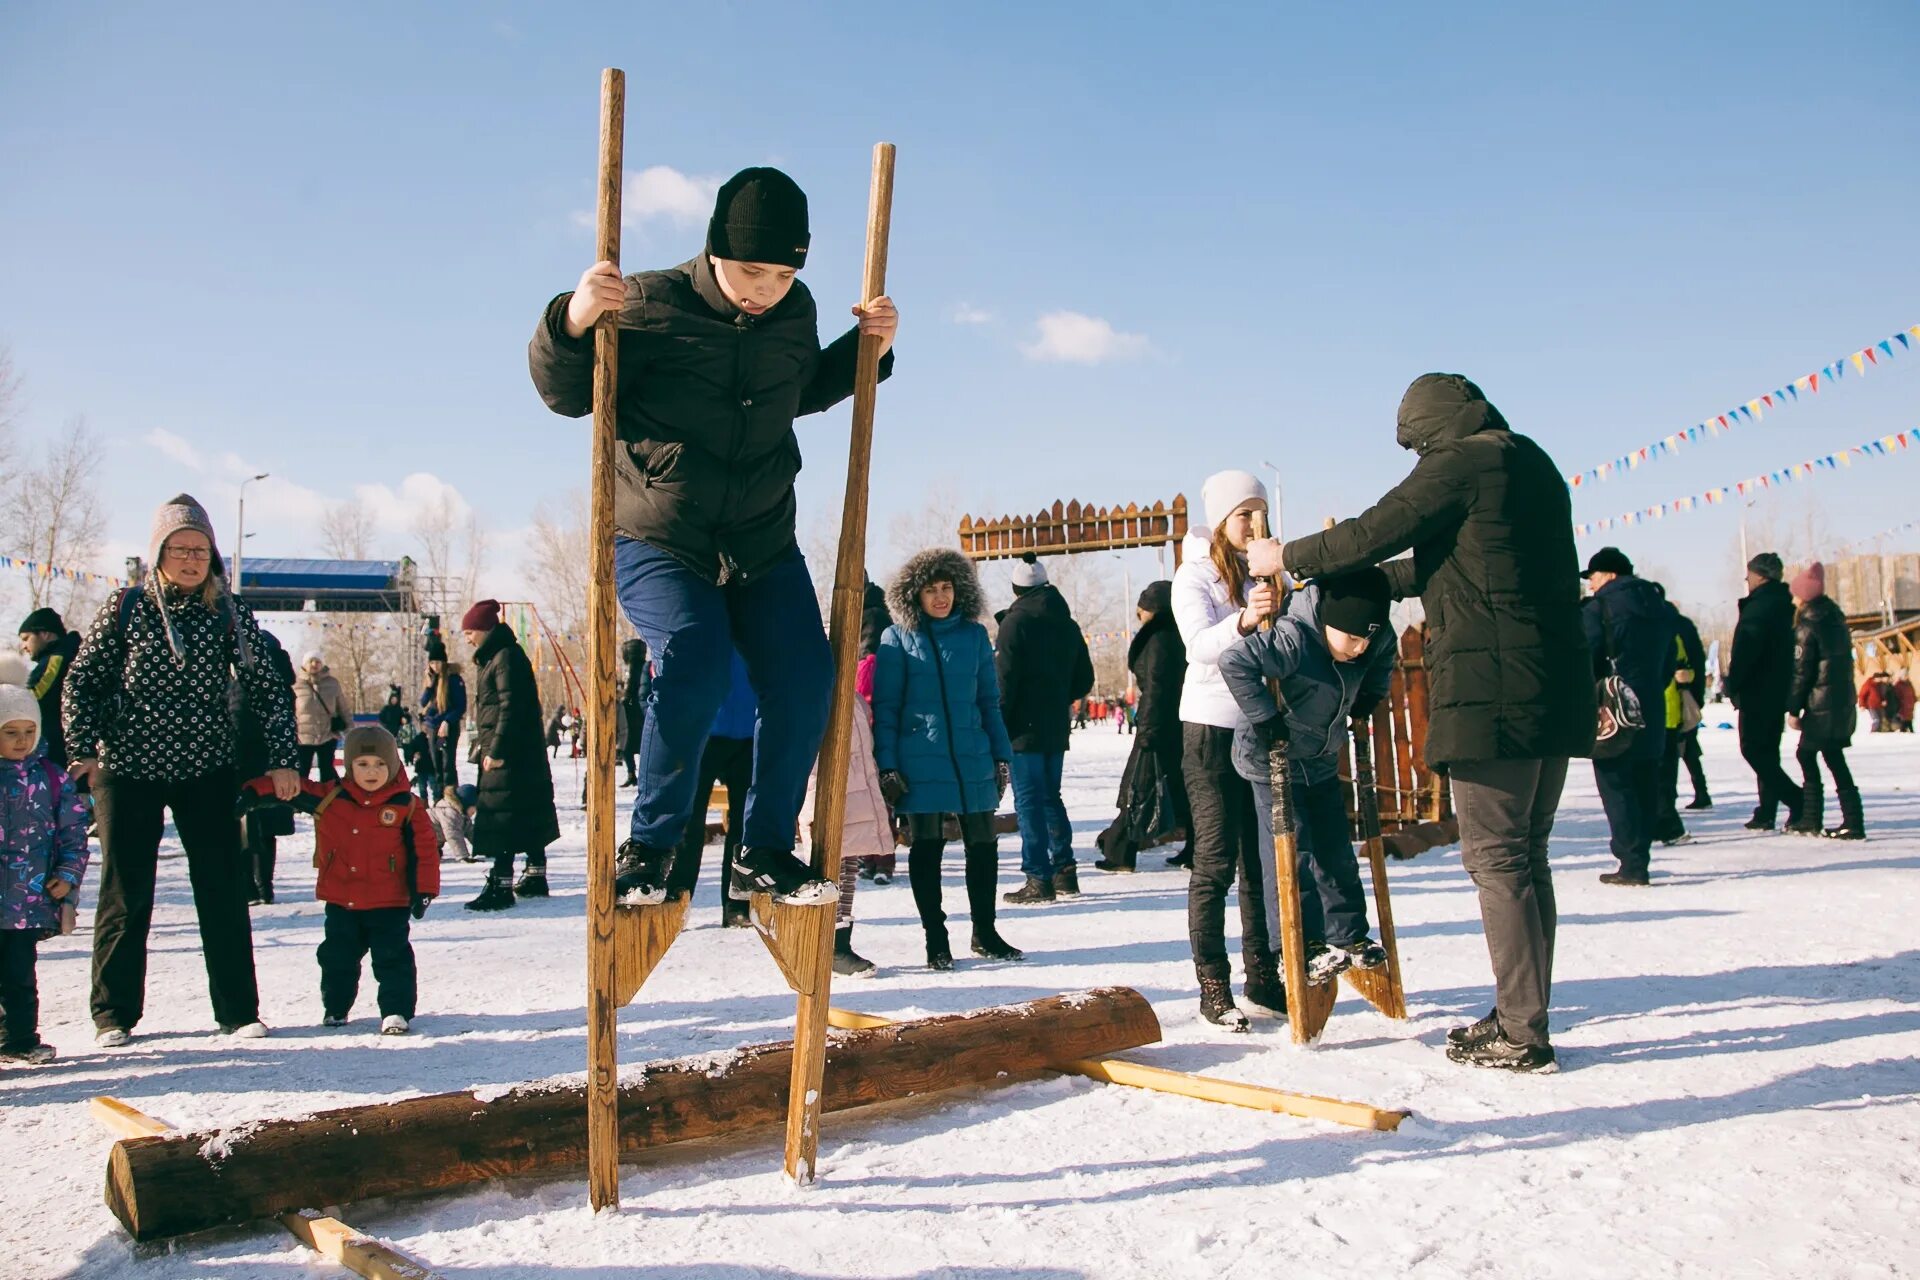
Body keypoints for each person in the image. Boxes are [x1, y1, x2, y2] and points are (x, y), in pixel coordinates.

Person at [528, 165, 899, 908]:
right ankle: (653, 847)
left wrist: (870, 352)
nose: (766, 287)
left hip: (761, 540)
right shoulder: (648, 303)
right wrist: (571, 320)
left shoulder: (794, 312)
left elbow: (799, 395)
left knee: (804, 682)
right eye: (750, 271)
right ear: (714, 253)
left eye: (783, 272)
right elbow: (567, 395)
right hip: (660, 536)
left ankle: (762, 849)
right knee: (693, 663)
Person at [1250, 375, 1594, 1073]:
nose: (1419, 461)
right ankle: (1521, 1013)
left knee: (1498, 860)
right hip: (1550, 686)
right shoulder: (1532, 463)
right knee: (1526, 857)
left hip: (1493, 690)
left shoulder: (1464, 461)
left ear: (1434, 430)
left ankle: (1523, 1033)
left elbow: (1379, 529)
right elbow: (1458, 565)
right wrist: (1368, 585)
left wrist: (1285, 560)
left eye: (1419, 447)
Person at [64, 494, 300, 1046]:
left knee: (221, 888)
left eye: (201, 549)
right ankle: (114, 1014)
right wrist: (84, 750)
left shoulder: (231, 612)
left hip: (206, 768)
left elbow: (268, 690)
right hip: (129, 769)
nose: (192, 559)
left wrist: (285, 758)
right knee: (126, 891)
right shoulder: (126, 606)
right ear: (158, 553)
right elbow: (82, 681)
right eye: (180, 549)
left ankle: (238, 1011)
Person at [1221, 568, 1398, 985]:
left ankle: (1350, 933)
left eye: (1366, 640)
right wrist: (1265, 718)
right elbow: (1236, 661)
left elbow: (1383, 654)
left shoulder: (1373, 640)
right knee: (1291, 849)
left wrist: (1370, 694)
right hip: (1273, 760)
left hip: (1319, 759)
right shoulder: (1294, 638)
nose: (1360, 648)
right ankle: (1297, 945)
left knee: (1336, 849)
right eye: (1352, 638)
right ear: (1327, 623)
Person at [872, 548, 1021, 970]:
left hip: (971, 754)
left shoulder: (974, 636)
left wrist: (1000, 756)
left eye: (947, 588)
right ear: (914, 595)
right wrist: (888, 764)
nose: (941, 597)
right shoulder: (896, 638)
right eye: (931, 589)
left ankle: (985, 932)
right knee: (927, 848)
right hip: (918, 760)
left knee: (983, 844)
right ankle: (935, 939)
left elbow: (989, 702)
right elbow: (886, 707)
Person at [243, 725, 439, 1034]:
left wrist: (424, 889)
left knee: (392, 958)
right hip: (342, 902)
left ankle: (396, 1011)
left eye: (379, 764)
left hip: (389, 902)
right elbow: (290, 789)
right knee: (337, 959)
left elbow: (425, 850)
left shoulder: (407, 805)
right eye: (362, 764)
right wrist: (252, 792)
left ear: (393, 765)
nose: (371, 771)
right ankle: (336, 1007)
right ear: (349, 767)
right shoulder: (331, 797)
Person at [1172, 471, 1281, 1030]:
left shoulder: (1264, 572)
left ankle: (1262, 971)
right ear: (1221, 519)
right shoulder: (1193, 578)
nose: (1254, 525)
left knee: (1259, 859)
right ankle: (1211, 982)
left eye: (1261, 513)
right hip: (1211, 728)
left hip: (1260, 725)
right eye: (1245, 514)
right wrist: (1246, 617)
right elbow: (1197, 646)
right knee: (1215, 858)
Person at [0, 654, 90, 1064]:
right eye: (10, 731)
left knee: (20, 975)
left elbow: (74, 832)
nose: (21, 739)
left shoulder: (51, 778)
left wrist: (68, 875)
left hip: (26, 899)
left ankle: (20, 1038)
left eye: (28, 731)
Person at [996, 553, 1096, 904]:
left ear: (1015, 588)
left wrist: (1000, 724)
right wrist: (1058, 698)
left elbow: (1004, 681)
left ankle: (1038, 877)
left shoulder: (1014, 623)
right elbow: (1085, 678)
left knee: (1028, 801)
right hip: (1055, 725)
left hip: (1022, 728)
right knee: (1050, 797)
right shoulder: (1067, 625)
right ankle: (1064, 871)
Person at [1581, 549, 1679, 886]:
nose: (1590, 584)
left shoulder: (1599, 609)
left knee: (1616, 782)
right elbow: (1669, 660)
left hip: (1613, 708)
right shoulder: (1662, 608)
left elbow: (1586, 657)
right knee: (1646, 781)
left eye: (1591, 576)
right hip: (1651, 703)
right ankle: (1641, 856)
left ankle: (1631, 861)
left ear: (1607, 574)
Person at [459, 601, 561, 911]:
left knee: (499, 813)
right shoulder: (503, 655)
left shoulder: (503, 657)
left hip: (509, 753)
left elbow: (510, 705)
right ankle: (535, 873)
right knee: (526, 809)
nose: (467, 639)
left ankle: (500, 883)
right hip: (522, 752)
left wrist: (497, 750)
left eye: (469, 632)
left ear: (484, 629)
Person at [1095, 580, 1193, 873]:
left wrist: (1148, 729)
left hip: (1159, 725)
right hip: (1177, 722)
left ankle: (1119, 849)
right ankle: (1195, 847)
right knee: (1179, 787)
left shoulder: (1159, 638)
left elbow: (1157, 688)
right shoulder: (1176, 633)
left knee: (1138, 788)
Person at [667, 651, 757, 927]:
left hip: (750, 727)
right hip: (701, 729)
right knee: (688, 822)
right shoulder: (700, 610)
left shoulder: (759, 612)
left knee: (745, 824)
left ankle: (737, 906)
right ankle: (677, 903)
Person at [1724, 552, 1802, 832]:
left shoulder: (1759, 607)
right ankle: (1767, 810)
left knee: (1754, 750)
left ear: (1760, 575)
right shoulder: (1785, 604)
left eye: (1750, 574)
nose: (1747, 579)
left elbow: (1747, 650)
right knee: (1768, 752)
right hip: (1777, 689)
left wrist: (1734, 683)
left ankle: (1797, 799)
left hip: (1758, 690)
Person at [1787, 563, 1863, 839]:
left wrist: (1793, 708)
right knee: (1832, 756)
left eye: (1795, 594)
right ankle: (1850, 819)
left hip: (1821, 705)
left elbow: (1801, 672)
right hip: (1840, 702)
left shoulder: (1807, 626)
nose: (1793, 598)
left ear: (1804, 596)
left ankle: (1814, 818)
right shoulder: (1835, 619)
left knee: (1808, 754)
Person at [237, 629, 297, 905]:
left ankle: (249, 886)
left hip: (243, 762)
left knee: (246, 826)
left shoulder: (240, 681)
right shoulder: (283, 685)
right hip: (275, 762)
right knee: (267, 828)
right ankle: (264, 886)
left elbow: (232, 719)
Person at [854, 583, 898, 885]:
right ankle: (875, 857)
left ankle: (879, 858)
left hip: (871, 719)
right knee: (878, 791)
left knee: (876, 791)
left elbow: (866, 669)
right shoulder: (880, 615)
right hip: (877, 719)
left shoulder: (868, 617)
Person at [18, 607, 81, 767]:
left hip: (57, 751)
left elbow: (32, 697)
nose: (23, 646)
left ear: (45, 634)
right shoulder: (68, 654)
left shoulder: (57, 659)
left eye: (26, 638)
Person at [1674, 608, 1712, 810]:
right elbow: (1698, 660)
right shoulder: (1685, 625)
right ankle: (1701, 791)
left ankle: (1667, 799)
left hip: (1677, 696)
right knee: (1689, 748)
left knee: (1672, 751)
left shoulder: (1667, 626)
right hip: (1688, 694)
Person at [419, 641, 467, 794]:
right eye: (432, 663)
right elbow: (423, 702)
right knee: (436, 766)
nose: (435, 666)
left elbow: (460, 706)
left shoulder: (453, 679)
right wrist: (428, 685)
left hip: (448, 726)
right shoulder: (433, 680)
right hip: (433, 726)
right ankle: (439, 799)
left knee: (448, 766)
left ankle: (451, 798)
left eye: (438, 662)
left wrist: (447, 721)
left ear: (444, 662)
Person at [293, 653, 349, 783]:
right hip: (303, 738)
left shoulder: (333, 684)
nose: (314, 664)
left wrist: (349, 730)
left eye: (317, 661)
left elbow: (343, 708)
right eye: (311, 661)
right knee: (302, 773)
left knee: (328, 772)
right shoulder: (296, 685)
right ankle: (301, 800)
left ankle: (328, 801)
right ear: (304, 664)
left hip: (327, 735)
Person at [621, 638, 650, 788]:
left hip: (633, 715)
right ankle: (635, 775)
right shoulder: (644, 667)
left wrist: (625, 701)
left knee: (629, 747)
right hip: (641, 714)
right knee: (640, 748)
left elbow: (632, 691)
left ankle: (633, 774)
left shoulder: (634, 668)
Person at [432, 783, 479, 863]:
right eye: (474, 808)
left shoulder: (462, 815)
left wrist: (485, 848)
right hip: (417, 838)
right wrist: (463, 856)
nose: (474, 812)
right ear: (466, 804)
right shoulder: (449, 813)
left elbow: (471, 832)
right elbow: (453, 835)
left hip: (431, 841)